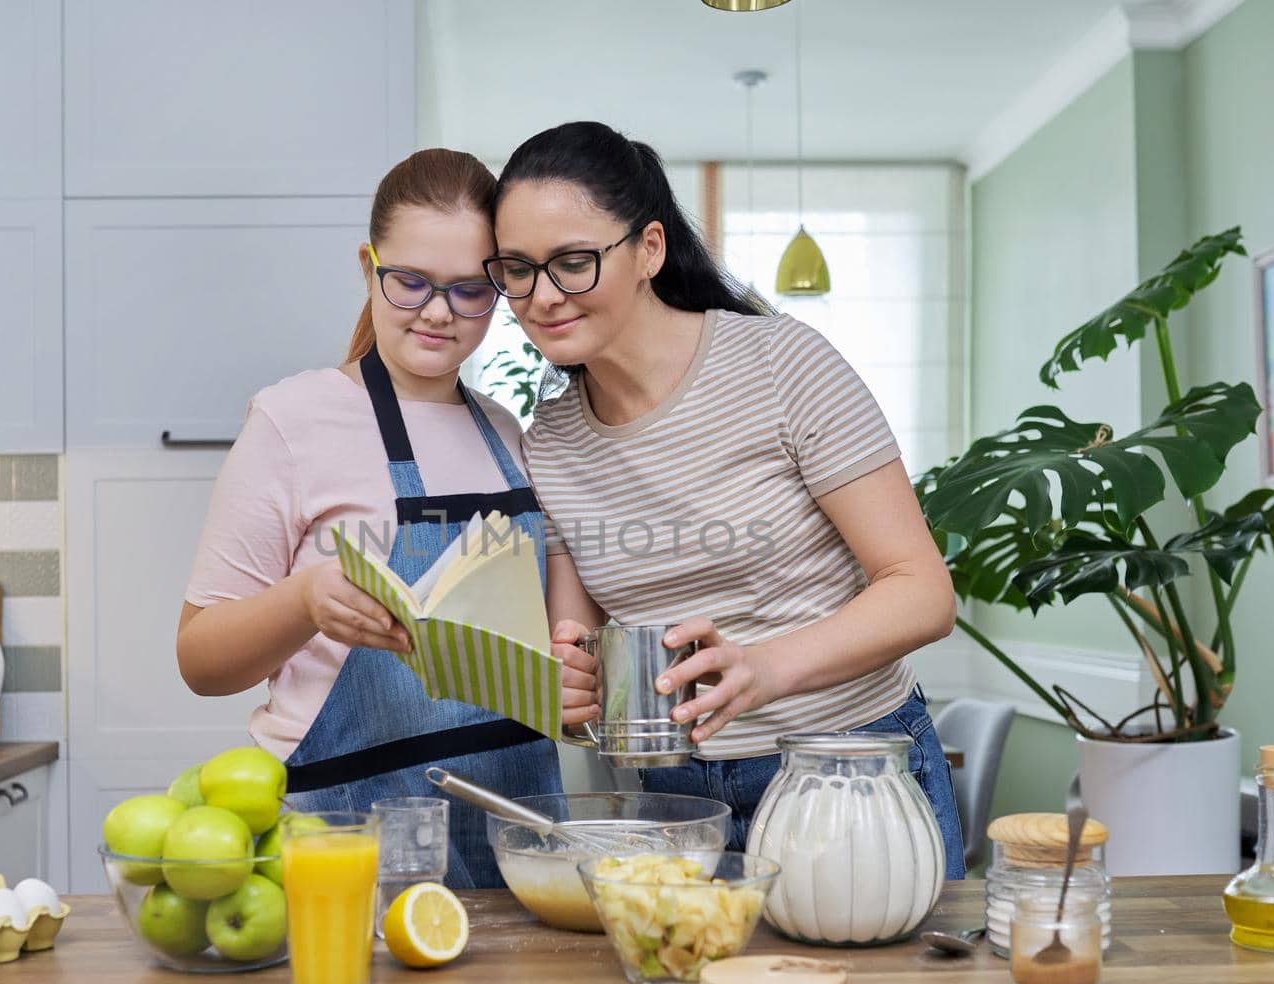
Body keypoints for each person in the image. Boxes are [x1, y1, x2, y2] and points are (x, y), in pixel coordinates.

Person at [487, 122, 965, 877]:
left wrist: (766, 667)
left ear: (649, 248)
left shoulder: (782, 362)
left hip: (842, 774)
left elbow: (923, 593)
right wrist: (566, 674)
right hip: (669, 798)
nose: (541, 297)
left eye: (573, 263)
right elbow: (578, 627)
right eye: (516, 269)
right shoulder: (549, 436)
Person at [177, 148, 562, 888]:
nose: (438, 310)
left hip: (518, 828)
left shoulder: (508, 433)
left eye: (470, 289)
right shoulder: (292, 420)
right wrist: (304, 599)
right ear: (369, 266)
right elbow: (199, 659)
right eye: (411, 281)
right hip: (350, 831)